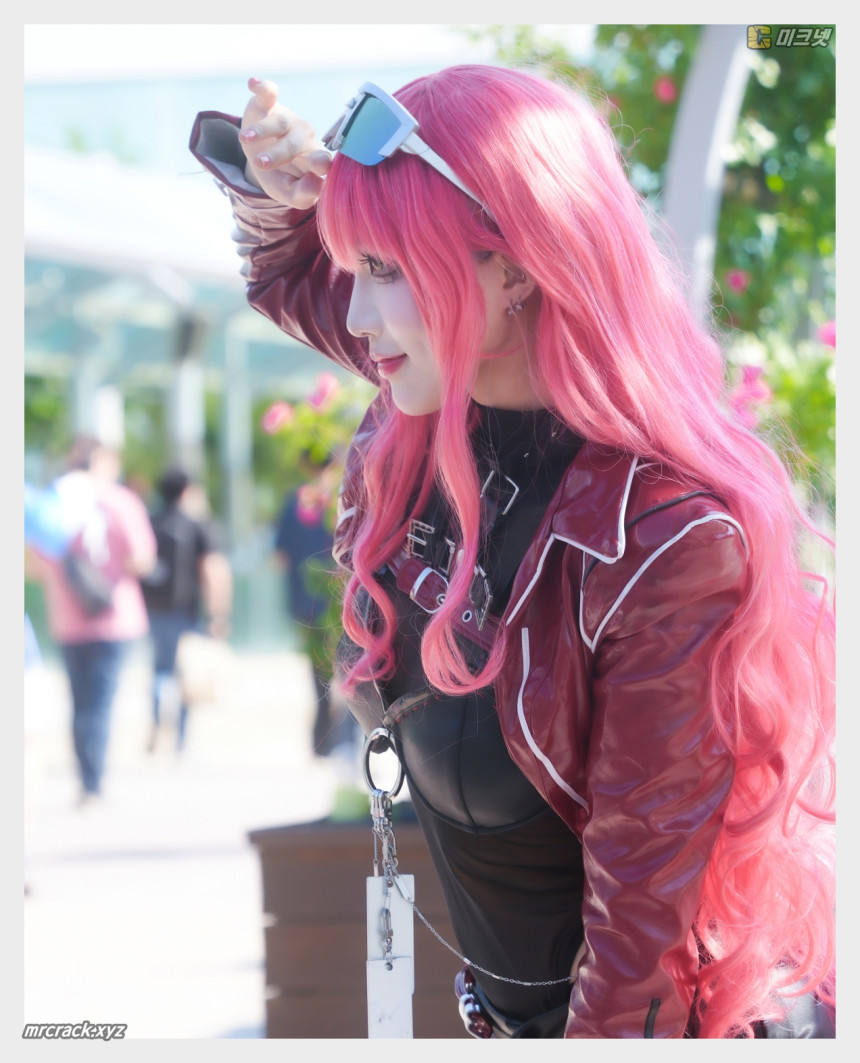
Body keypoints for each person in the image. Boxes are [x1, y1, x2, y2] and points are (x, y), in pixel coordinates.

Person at [189, 66, 835, 1039]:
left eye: (386, 270)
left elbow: (638, 960)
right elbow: (292, 277)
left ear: (516, 267)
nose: (357, 317)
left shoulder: (663, 540)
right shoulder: (437, 408)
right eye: (356, 267)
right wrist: (293, 192)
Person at [25, 436, 157, 804]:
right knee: (100, 703)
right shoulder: (120, 501)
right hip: (115, 617)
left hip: (67, 618)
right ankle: (93, 782)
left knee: (79, 703)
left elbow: (36, 565)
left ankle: (85, 778)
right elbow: (141, 559)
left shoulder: (55, 503)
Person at [141, 467, 232, 753]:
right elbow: (213, 570)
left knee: (161, 669)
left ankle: (158, 719)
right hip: (185, 610)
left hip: (153, 609)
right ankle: (179, 739)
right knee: (186, 671)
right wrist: (218, 614)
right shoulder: (197, 525)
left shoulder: (150, 521)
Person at [273, 453, 357, 756]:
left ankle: (322, 738)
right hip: (343, 597)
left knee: (319, 671)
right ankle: (346, 738)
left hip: (305, 599)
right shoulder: (346, 499)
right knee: (351, 665)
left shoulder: (292, 504)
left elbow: (280, 557)